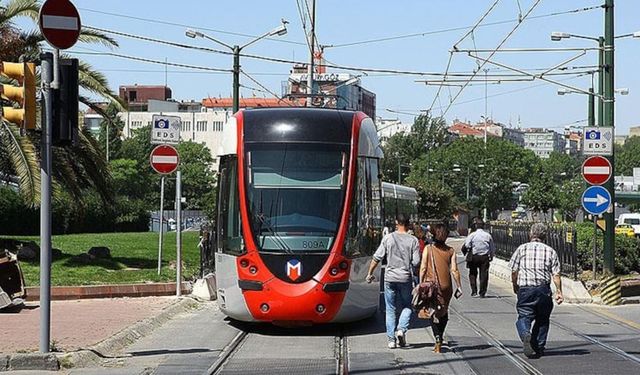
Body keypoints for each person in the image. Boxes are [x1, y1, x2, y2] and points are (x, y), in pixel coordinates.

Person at [508, 223, 563, 359]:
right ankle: (538, 346)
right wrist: (559, 291)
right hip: (543, 290)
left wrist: (515, 285)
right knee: (543, 319)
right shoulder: (550, 251)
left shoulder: (522, 249)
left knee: (524, 316)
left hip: (526, 289)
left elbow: (514, 271)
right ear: (545, 236)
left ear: (530, 234)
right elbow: (556, 274)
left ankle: (526, 333)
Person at [366, 214, 420, 349]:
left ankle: (391, 340)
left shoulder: (388, 238)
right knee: (408, 306)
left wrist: (369, 273)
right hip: (405, 278)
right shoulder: (413, 240)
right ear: (408, 224)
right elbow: (416, 262)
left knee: (390, 309)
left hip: (389, 278)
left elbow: (377, 257)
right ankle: (401, 329)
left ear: (397, 223)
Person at [419, 221, 462, 353]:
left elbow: (423, 267)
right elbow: (454, 270)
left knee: (433, 312)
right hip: (446, 286)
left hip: (432, 286)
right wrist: (459, 286)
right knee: (443, 311)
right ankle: (441, 335)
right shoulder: (451, 251)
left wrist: (420, 283)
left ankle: (437, 338)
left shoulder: (428, 249)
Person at [462, 218, 495, 298]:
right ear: (483, 226)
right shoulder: (487, 235)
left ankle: (474, 291)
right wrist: (491, 256)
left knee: (473, 273)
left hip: (474, 257)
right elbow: (492, 248)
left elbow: (467, 245)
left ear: (476, 226)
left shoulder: (472, 235)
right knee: (484, 275)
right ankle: (482, 292)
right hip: (484, 257)